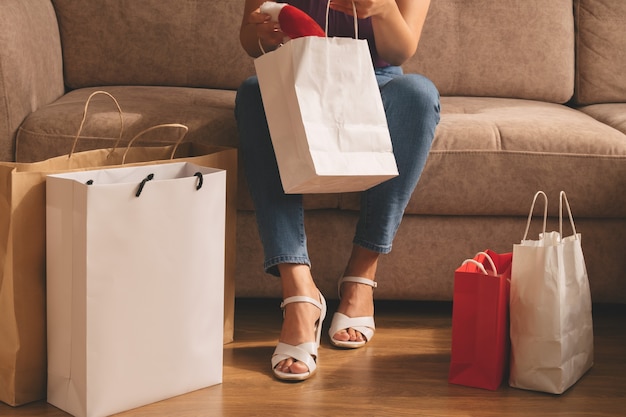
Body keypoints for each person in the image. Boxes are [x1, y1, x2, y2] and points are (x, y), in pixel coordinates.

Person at [235, 0, 440, 381]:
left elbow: (400, 50)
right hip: (299, 76)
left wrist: (380, 9)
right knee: (253, 93)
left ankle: (361, 276)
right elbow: (250, 39)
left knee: (419, 94)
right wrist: (261, 32)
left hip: (380, 81)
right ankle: (299, 290)